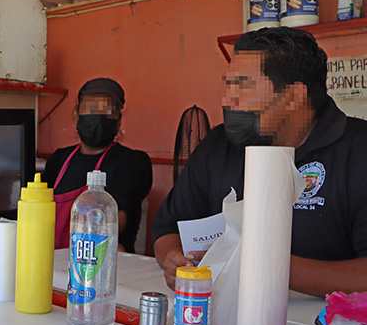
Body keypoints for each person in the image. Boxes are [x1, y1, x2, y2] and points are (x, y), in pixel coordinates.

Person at [153, 27, 367, 298]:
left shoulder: (358, 151)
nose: (226, 99)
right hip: (219, 314)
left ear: (293, 97)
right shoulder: (218, 144)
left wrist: (268, 266)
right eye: (227, 85)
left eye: (242, 86)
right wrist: (174, 258)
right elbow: (166, 228)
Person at [43, 78, 153, 253]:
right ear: (75, 114)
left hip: (102, 264)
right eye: (91, 108)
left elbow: (118, 219)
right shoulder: (59, 160)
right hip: (54, 263)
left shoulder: (133, 162)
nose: (99, 117)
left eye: (108, 112)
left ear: (118, 120)